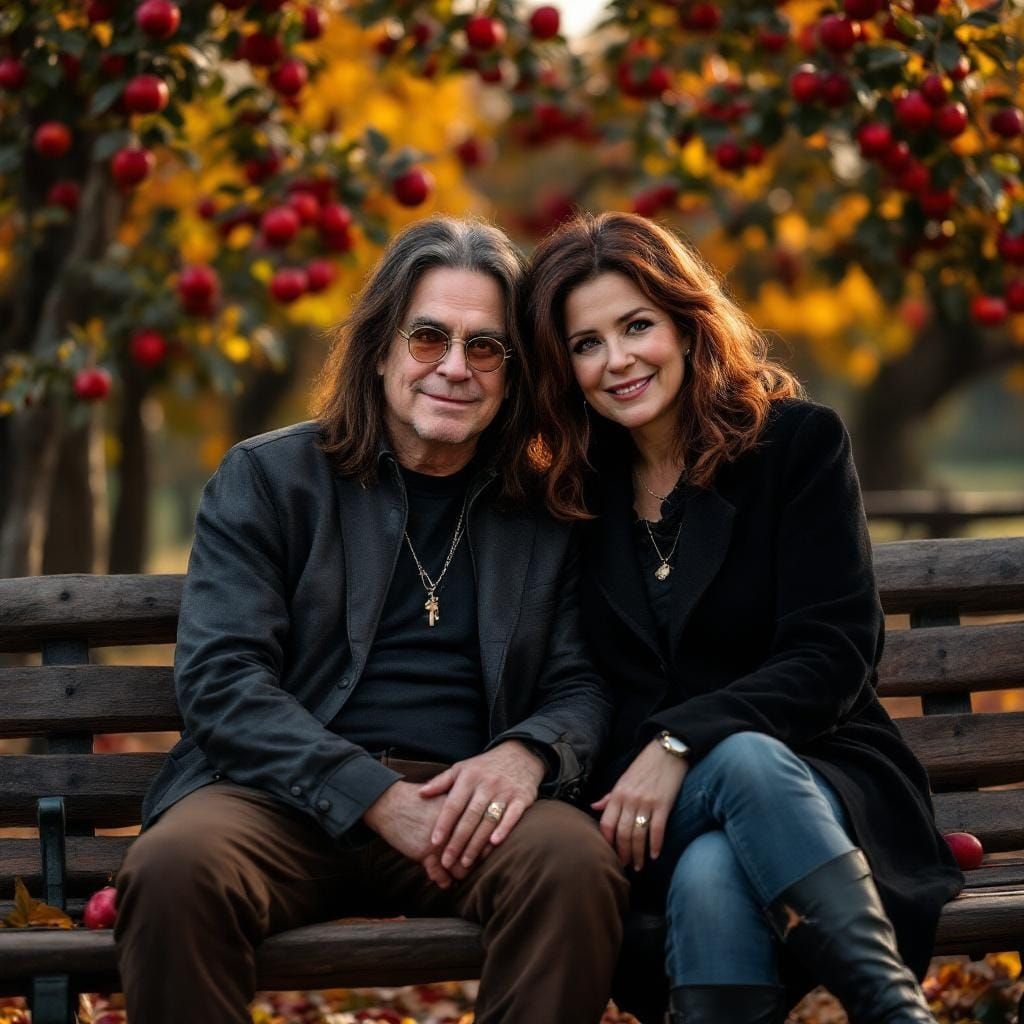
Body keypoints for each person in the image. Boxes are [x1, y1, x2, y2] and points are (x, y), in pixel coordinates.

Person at [114, 216, 628, 1024]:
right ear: (382, 346)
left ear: (513, 372)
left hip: (466, 813)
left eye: (485, 348)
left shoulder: (546, 510)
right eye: (429, 338)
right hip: (278, 799)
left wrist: (528, 756)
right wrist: (373, 796)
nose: (454, 369)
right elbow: (222, 682)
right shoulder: (270, 480)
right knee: (176, 868)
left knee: (571, 864)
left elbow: (583, 681)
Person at [523, 211, 964, 1024]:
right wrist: (661, 755)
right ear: (564, 365)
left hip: (820, 778)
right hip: (641, 810)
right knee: (724, 800)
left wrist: (683, 738)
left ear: (687, 327)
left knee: (719, 856)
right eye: (587, 344)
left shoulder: (796, 445)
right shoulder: (569, 499)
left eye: (636, 326)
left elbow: (833, 653)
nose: (617, 360)